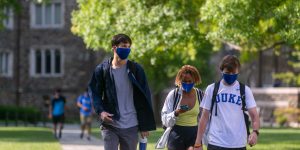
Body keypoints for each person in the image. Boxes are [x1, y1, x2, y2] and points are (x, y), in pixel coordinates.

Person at [88, 33, 156, 150]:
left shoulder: (136, 70)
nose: (127, 49)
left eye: (129, 47)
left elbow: (145, 96)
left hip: (131, 125)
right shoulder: (102, 70)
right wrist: (101, 112)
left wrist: (145, 125)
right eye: (124, 46)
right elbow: (95, 93)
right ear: (114, 48)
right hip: (110, 125)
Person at [194, 55, 260, 150]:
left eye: (234, 72)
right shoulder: (212, 89)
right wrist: (198, 142)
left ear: (238, 72)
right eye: (227, 72)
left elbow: (254, 116)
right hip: (215, 142)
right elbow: (204, 117)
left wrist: (255, 132)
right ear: (222, 71)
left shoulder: (245, 90)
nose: (231, 75)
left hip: (238, 144)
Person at [161, 65, 203, 150]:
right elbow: (164, 119)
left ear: (195, 80)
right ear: (180, 80)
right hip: (176, 134)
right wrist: (177, 112)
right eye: (184, 81)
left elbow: (205, 117)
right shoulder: (173, 95)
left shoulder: (200, 94)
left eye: (190, 81)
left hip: (194, 134)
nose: (187, 83)